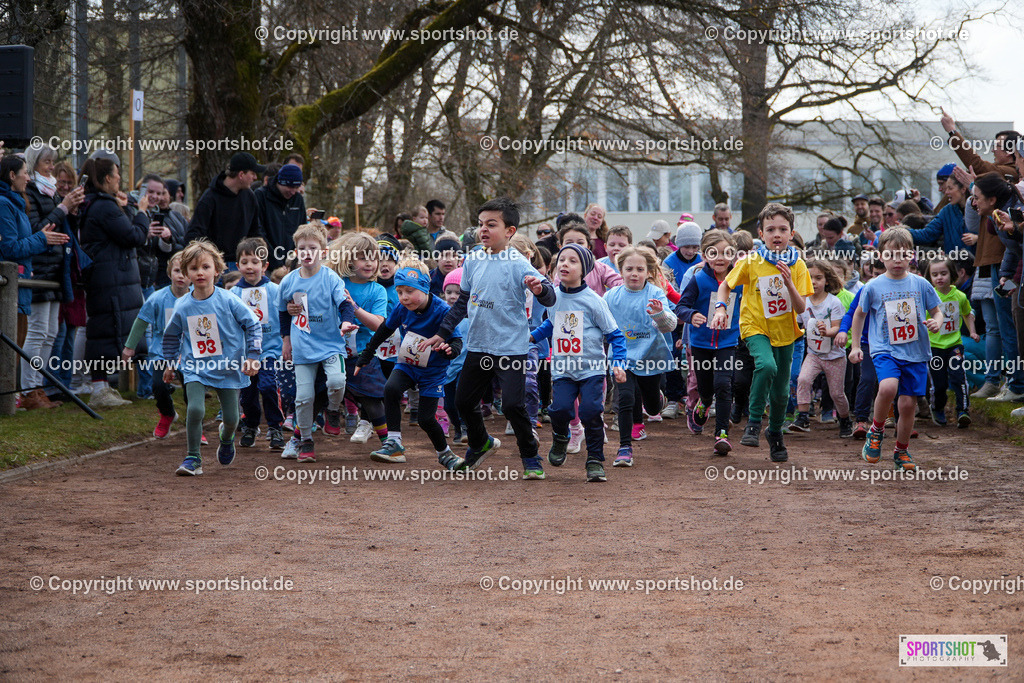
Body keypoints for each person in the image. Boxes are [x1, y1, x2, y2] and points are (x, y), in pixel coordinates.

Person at [419, 197, 557, 477]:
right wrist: (442, 332)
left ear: (510, 231)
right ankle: (481, 443)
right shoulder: (472, 259)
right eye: (481, 224)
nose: (483, 229)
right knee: (462, 401)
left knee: (512, 405)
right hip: (479, 345)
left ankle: (530, 456)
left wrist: (540, 290)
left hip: (511, 347)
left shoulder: (518, 262)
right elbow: (462, 301)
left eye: (491, 224)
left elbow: (550, 295)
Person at [711, 203, 812, 462]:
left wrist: (788, 281)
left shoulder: (798, 265)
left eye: (782, 229)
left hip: (786, 331)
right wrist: (721, 309)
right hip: (754, 326)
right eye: (770, 229)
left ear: (791, 233)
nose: (776, 234)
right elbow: (725, 286)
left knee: (780, 391)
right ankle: (754, 421)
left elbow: (801, 308)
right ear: (761, 233)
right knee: (766, 366)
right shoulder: (751, 262)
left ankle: (775, 433)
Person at [161, 241, 262, 475]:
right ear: (186, 273)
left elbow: (253, 325)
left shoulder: (229, 300)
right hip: (195, 366)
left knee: (232, 419)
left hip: (228, 365)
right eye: (193, 268)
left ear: (217, 270)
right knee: (195, 409)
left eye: (205, 267)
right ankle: (193, 458)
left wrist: (253, 356)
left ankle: (226, 440)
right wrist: (169, 364)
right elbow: (171, 336)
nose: (199, 273)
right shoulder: (182, 305)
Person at [356, 258, 464, 469]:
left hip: (433, 371)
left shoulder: (442, 310)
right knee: (391, 388)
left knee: (425, 419)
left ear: (424, 288)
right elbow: (384, 330)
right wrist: (366, 355)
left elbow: (456, 341)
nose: (404, 298)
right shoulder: (401, 308)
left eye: (409, 291)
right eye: (399, 292)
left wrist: (450, 351)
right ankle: (394, 443)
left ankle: (445, 454)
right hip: (407, 363)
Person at [532, 243, 627, 482]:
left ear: (584, 270)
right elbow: (553, 324)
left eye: (573, 261)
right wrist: (531, 337)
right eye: (562, 259)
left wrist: (619, 363)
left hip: (591, 369)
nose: (565, 264)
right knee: (559, 409)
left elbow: (615, 334)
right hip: (563, 368)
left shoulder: (594, 300)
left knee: (591, 412)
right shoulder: (552, 297)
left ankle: (594, 460)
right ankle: (561, 438)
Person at [849, 227, 943, 470]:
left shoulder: (921, 284)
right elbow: (859, 315)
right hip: (884, 349)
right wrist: (856, 345)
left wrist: (937, 322)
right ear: (881, 257)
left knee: (907, 405)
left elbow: (937, 310)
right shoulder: (873, 286)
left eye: (902, 254)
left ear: (911, 255)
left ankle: (901, 451)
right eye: (891, 255)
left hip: (916, 351)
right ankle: (876, 430)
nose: (897, 260)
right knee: (888, 386)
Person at [278, 223, 358, 462]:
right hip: (302, 346)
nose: (307, 252)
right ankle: (305, 441)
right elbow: (283, 311)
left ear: (323, 251)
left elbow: (345, 304)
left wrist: (345, 323)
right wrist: (286, 342)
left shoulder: (330, 278)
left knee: (336, 381)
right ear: (296, 251)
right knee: (303, 397)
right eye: (302, 248)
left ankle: (333, 409)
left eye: (312, 247)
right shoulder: (289, 282)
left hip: (331, 343)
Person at [77, 155, 152, 408]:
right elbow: (134, 235)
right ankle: (99, 388)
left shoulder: (98, 204)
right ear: (107, 178)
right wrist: (141, 212)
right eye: (117, 174)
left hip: (109, 277)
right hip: (110, 279)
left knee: (109, 328)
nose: (120, 179)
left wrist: (127, 209)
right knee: (105, 329)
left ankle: (104, 386)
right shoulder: (103, 206)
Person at [1, 154, 71, 407]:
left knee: (34, 335)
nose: (28, 178)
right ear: (12, 175)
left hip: (24, 280)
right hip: (13, 286)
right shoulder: (4, 204)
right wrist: (41, 239)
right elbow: (10, 247)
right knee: (23, 338)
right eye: (25, 173)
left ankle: (32, 389)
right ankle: (21, 394)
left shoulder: (16, 202)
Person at [21, 144, 84, 407]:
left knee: (50, 331)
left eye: (52, 161)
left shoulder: (51, 192)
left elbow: (62, 226)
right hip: (40, 268)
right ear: (34, 163)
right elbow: (39, 229)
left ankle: (40, 386)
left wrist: (73, 210)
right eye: (46, 161)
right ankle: (28, 390)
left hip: (56, 269)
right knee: (36, 332)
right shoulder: (32, 191)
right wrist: (63, 208)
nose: (50, 167)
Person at [604, 246, 676, 466]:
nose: (634, 273)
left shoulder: (655, 293)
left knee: (653, 406)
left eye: (640, 269)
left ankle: (658, 401)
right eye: (629, 269)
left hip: (651, 357)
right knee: (625, 398)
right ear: (621, 270)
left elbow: (670, 325)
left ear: (648, 272)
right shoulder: (611, 296)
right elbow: (600, 324)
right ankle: (624, 448)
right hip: (621, 357)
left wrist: (659, 314)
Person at [675, 230, 742, 455]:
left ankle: (721, 433)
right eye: (714, 253)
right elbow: (681, 306)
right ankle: (703, 402)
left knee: (723, 384)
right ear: (705, 255)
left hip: (727, 342)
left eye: (726, 252)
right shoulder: (699, 279)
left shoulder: (740, 281)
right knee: (705, 387)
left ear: (733, 255)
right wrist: (691, 315)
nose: (720, 257)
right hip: (701, 343)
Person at [965, 172, 1024, 402]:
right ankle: (1015, 383)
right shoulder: (996, 216)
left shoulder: (1015, 213)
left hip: (1021, 276)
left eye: (977, 197)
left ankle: (1017, 385)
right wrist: (1005, 275)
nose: (973, 202)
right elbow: (1011, 247)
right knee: (1009, 326)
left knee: (1012, 328)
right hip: (1015, 274)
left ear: (991, 199)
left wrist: (1014, 278)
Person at [122, 253, 191, 438]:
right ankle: (167, 415)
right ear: (169, 273)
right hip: (162, 352)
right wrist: (129, 347)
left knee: (192, 388)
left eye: (185, 271)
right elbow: (141, 321)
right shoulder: (157, 298)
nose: (181, 275)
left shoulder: (197, 298)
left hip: (189, 353)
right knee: (158, 386)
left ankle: (194, 424)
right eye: (177, 271)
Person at [330, 232, 388, 446]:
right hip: (333, 354)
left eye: (373, 258)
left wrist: (354, 307)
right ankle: (302, 439)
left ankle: (389, 444)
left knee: (372, 400)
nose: (370, 263)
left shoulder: (377, 290)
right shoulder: (336, 282)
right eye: (363, 258)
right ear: (349, 260)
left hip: (364, 354)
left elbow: (378, 324)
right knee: (319, 394)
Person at [231, 237, 286, 450]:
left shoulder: (275, 290)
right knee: (248, 392)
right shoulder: (233, 294)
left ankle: (275, 427)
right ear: (238, 266)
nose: (250, 267)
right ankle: (251, 425)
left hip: (270, 349)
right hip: (244, 354)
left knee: (269, 386)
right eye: (245, 262)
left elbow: (284, 313)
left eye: (255, 262)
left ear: (265, 266)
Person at [788, 260, 852, 437]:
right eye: (809, 278)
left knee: (837, 393)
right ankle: (802, 417)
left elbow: (838, 327)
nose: (814, 282)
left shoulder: (834, 303)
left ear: (827, 281)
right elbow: (798, 324)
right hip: (814, 354)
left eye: (818, 278)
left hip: (835, 356)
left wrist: (827, 331)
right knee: (803, 380)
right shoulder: (803, 302)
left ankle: (845, 420)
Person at [184, 152, 265, 266]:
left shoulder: (250, 197)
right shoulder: (209, 198)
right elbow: (193, 234)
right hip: (216, 264)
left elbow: (255, 232)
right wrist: (207, 261)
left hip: (243, 263)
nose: (255, 177)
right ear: (241, 174)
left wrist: (259, 258)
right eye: (252, 173)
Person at [925, 257, 978, 427]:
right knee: (939, 383)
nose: (939, 277)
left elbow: (967, 313)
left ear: (952, 274)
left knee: (958, 377)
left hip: (954, 344)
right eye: (935, 274)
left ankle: (963, 410)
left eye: (943, 273)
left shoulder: (960, 296)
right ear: (930, 278)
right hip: (934, 346)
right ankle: (937, 407)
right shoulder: (929, 297)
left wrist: (972, 331)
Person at [940, 111, 1020, 182]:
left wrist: (952, 132)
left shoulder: (1012, 172)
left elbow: (978, 166)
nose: (993, 150)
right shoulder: (1003, 170)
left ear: (1009, 151)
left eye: (997, 146)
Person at [254, 163, 307, 270]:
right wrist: (275, 262)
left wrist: (294, 259)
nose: (293, 192)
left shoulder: (298, 200)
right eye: (289, 187)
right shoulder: (261, 196)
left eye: (296, 187)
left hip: (291, 263)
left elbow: (302, 230)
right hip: (267, 263)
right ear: (280, 182)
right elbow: (258, 231)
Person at [906, 171, 968, 254]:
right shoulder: (947, 211)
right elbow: (927, 234)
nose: (946, 192)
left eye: (950, 188)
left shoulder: (979, 210)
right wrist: (901, 232)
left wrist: (977, 238)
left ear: (963, 189)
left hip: (977, 264)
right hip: (954, 264)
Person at [664, 222, 703, 286]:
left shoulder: (703, 260)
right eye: (686, 247)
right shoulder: (669, 263)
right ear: (679, 245)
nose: (690, 251)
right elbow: (669, 289)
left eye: (694, 247)